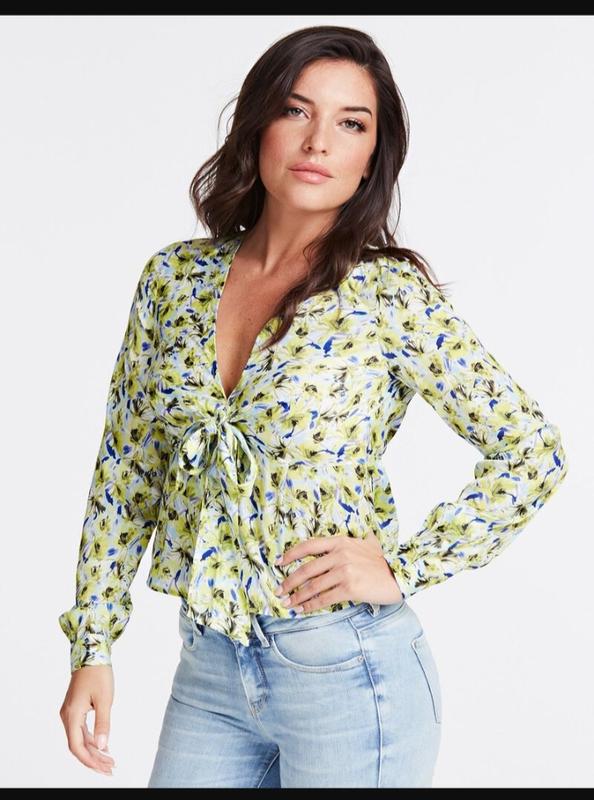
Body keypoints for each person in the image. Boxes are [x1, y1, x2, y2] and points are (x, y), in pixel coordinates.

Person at [58, 25, 569, 788]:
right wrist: (93, 644)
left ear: (372, 158)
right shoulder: (173, 280)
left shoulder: (387, 296)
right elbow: (127, 468)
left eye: (351, 123)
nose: (318, 141)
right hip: (209, 665)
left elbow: (533, 451)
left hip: (348, 672)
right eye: (296, 111)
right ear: (257, 124)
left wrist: (405, 565)